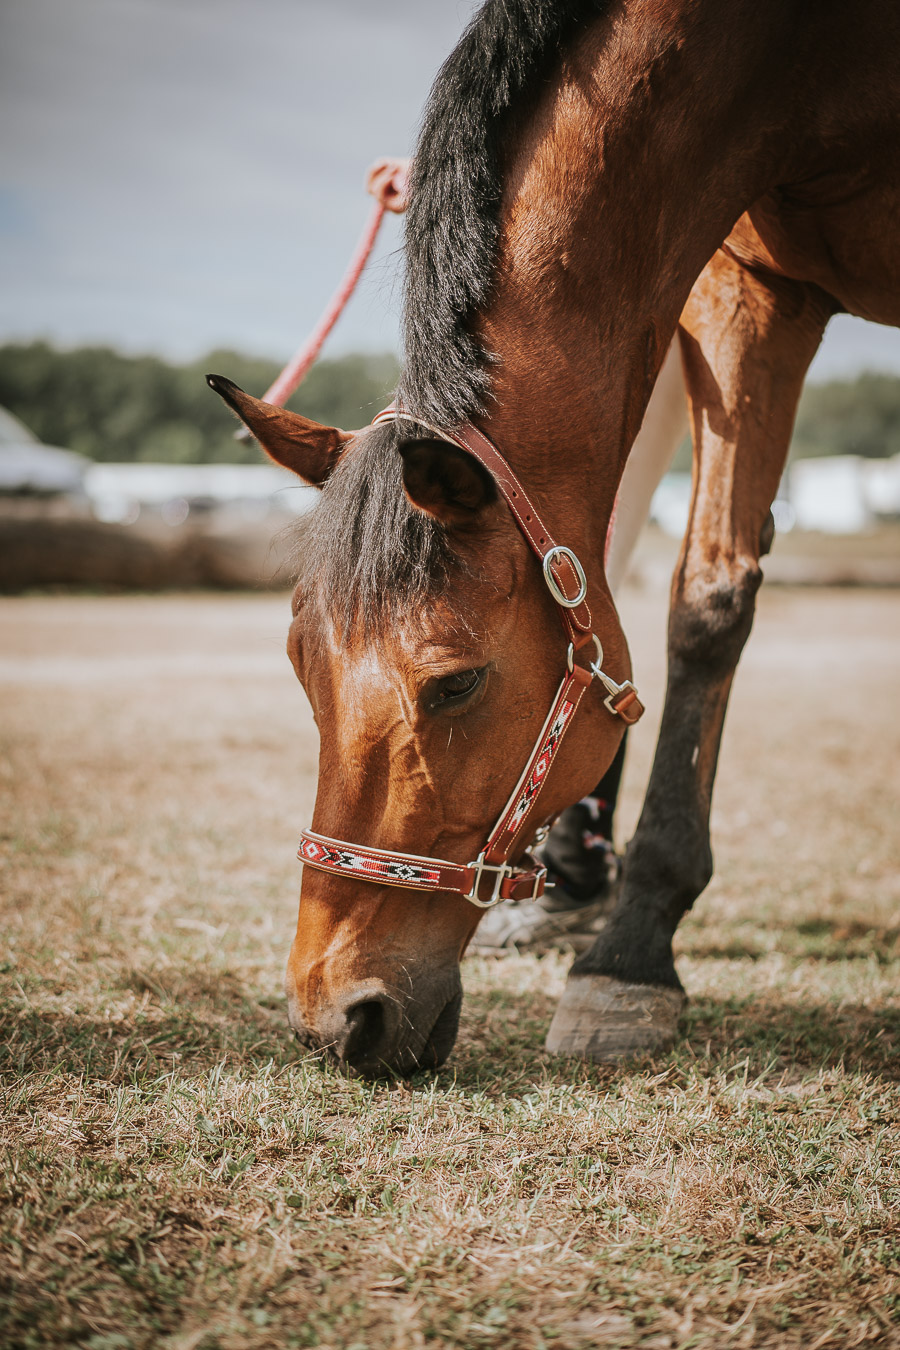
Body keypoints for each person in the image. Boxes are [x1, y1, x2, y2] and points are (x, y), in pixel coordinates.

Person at [364, 157, 683, 951]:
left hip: (640, 329)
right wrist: (450, 184)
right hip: (560, 348)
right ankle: (574, 872)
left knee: (572, 595)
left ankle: (575, 876)